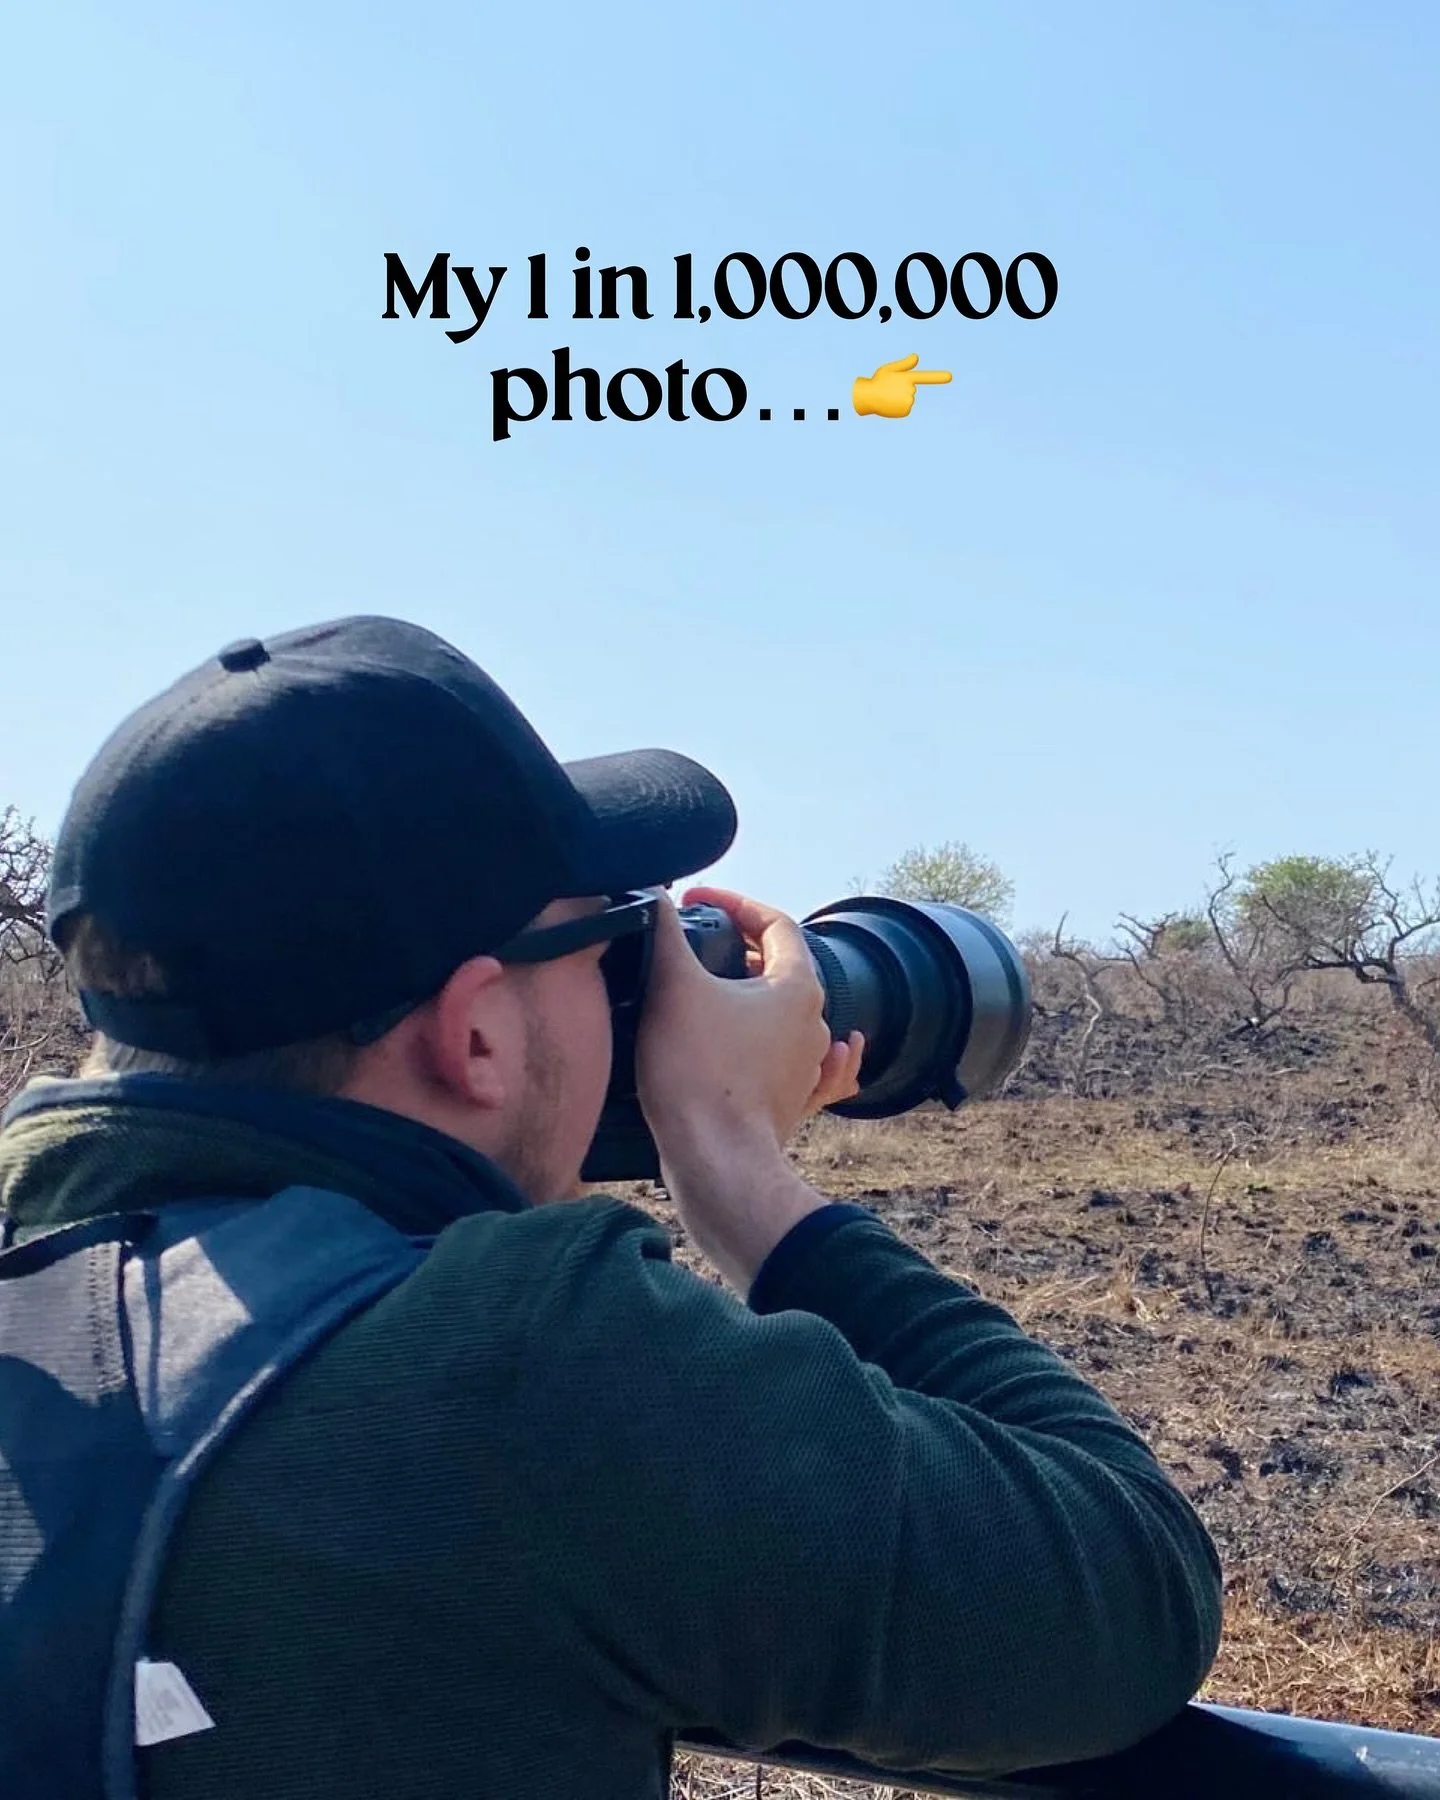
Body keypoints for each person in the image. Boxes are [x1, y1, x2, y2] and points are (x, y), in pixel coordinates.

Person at [0, 616, 1222, 1800]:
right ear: (474, 1033)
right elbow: (1128, 1595)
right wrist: (737, 1166)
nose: (641, 991)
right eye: (610, 950)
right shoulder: (518, 1361)